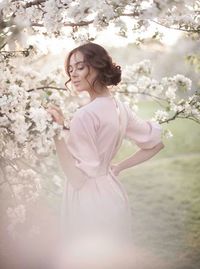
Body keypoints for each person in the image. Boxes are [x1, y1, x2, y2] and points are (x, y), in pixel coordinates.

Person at [47, 42, 165, 269]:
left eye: (80, 67)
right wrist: (118, 167)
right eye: (70, 69)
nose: (73, 74)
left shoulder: (84, 115)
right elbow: (155, 143)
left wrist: (58, 133)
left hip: (88, 200)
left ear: (98, 67)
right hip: (112, 194)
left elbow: (77, 177)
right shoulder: (120, 107)